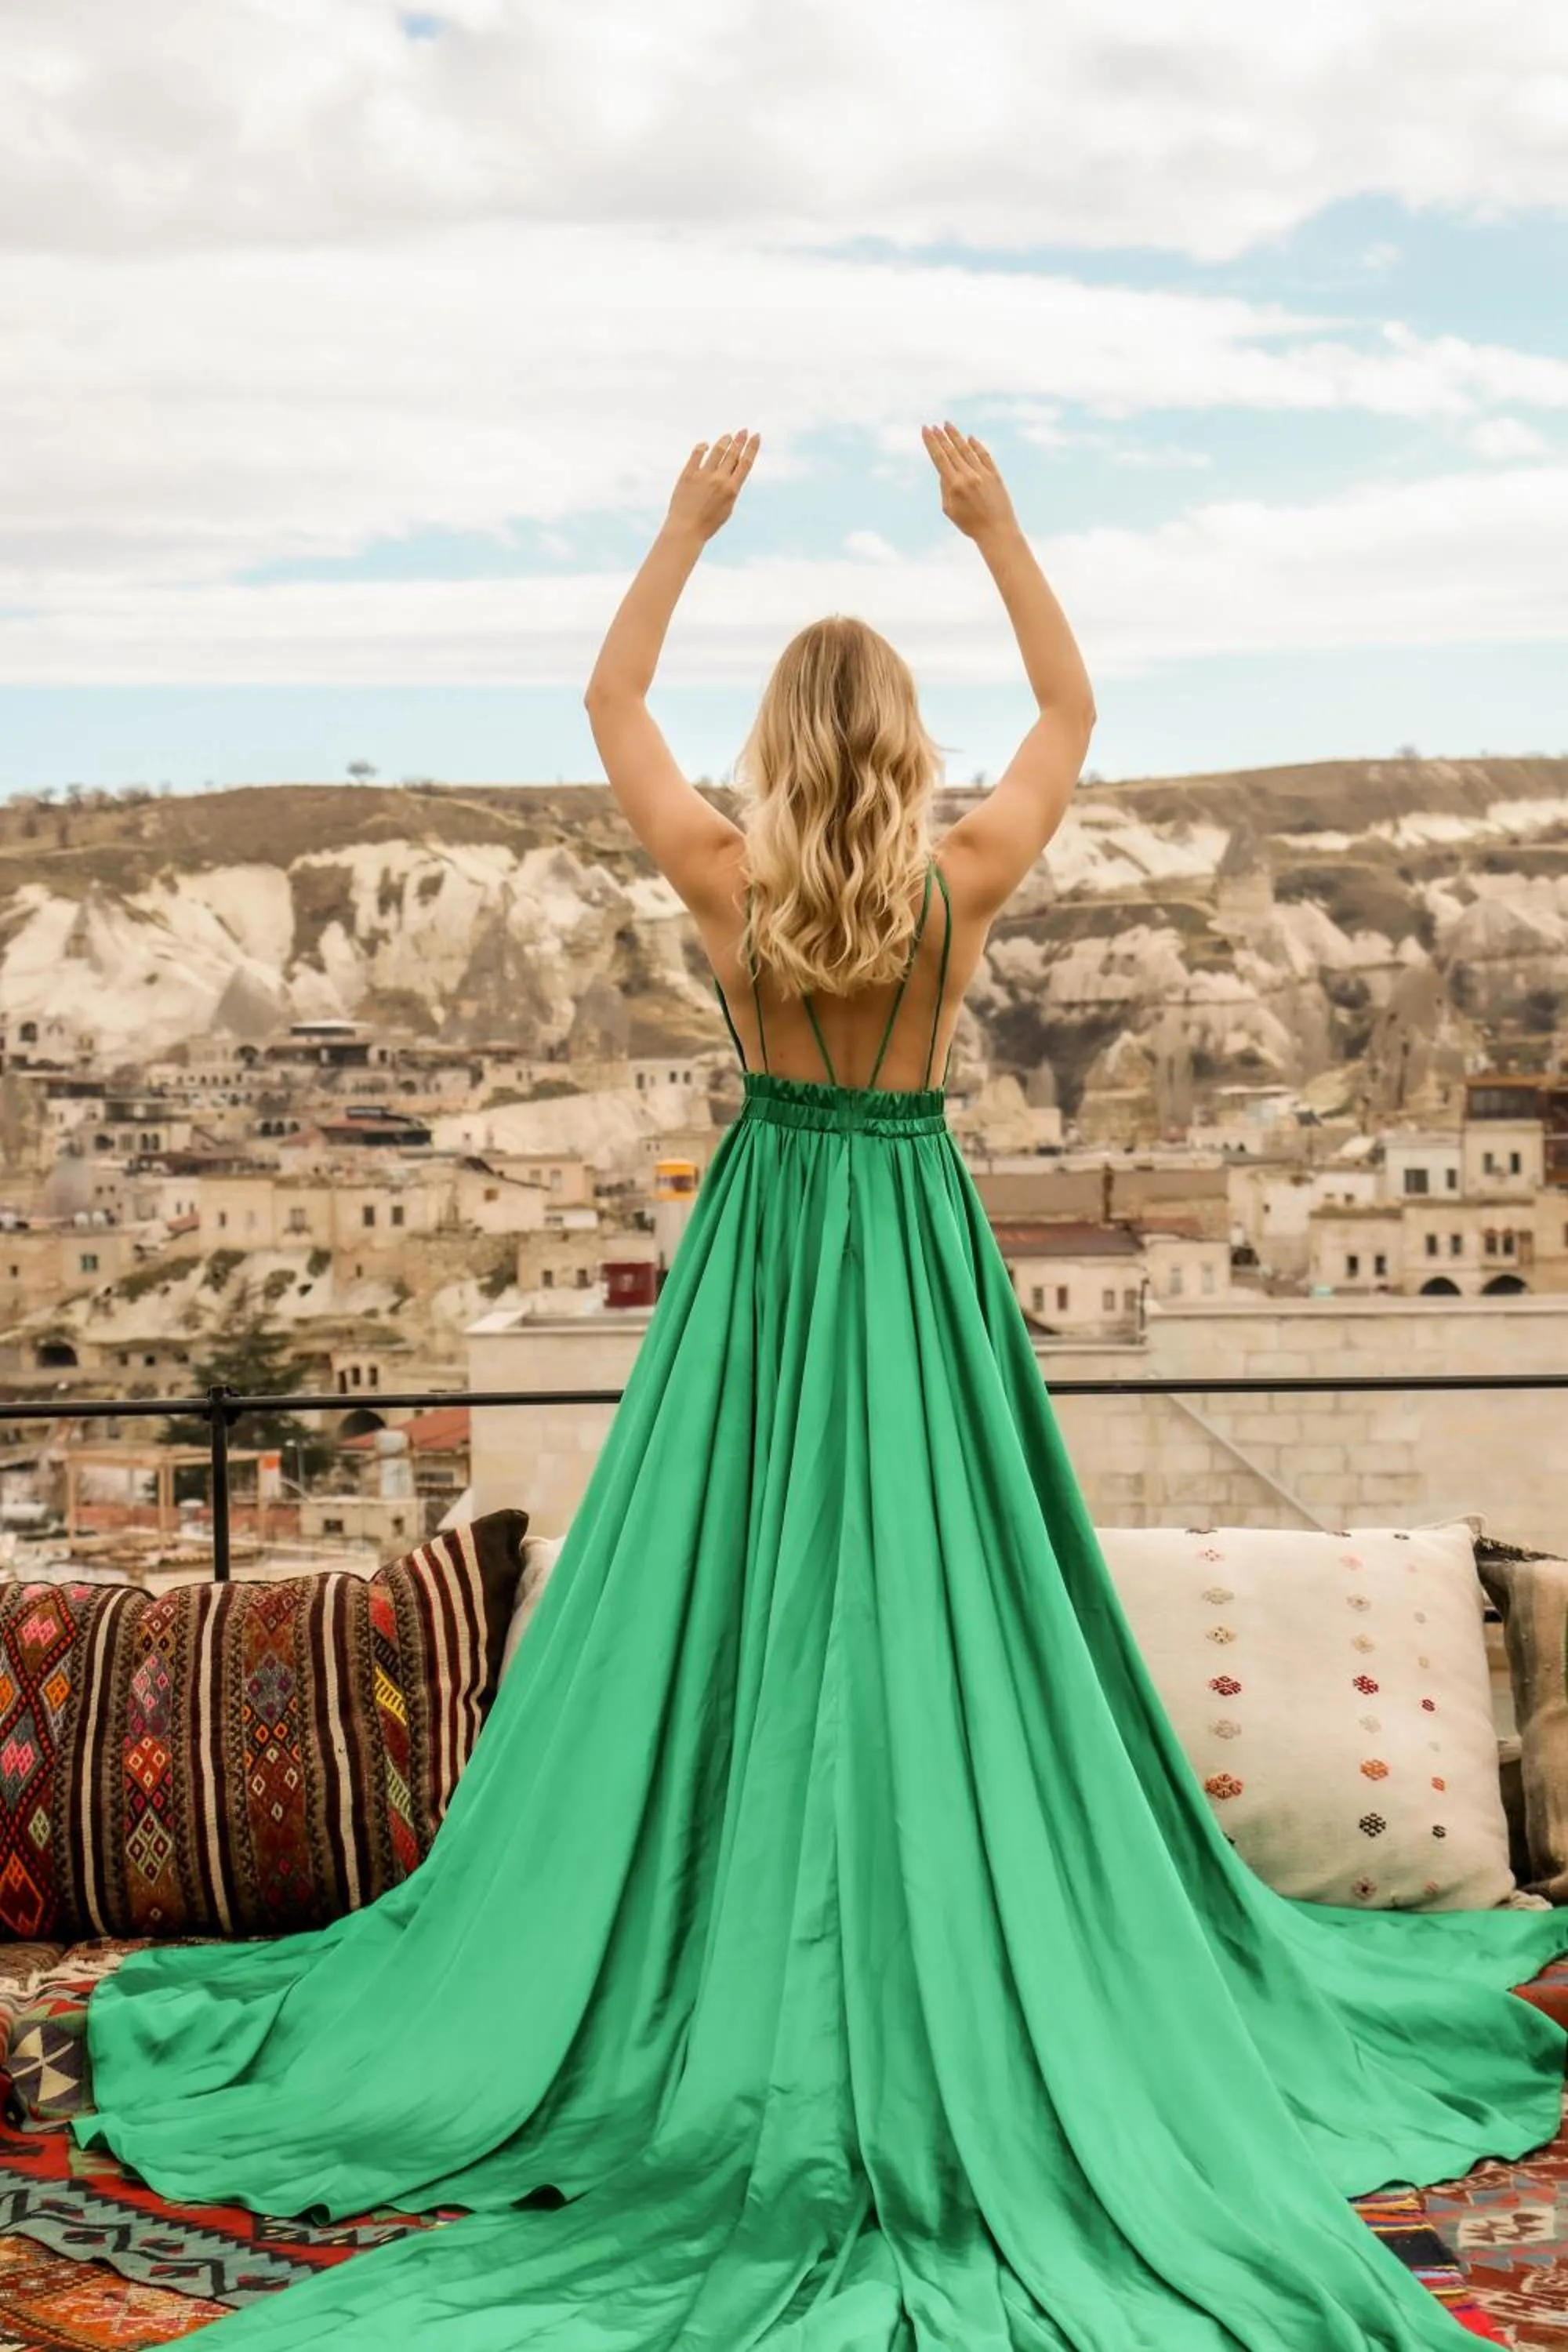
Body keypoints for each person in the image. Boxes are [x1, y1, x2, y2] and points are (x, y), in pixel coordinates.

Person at [74, 425, 1568, 2349]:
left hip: (766, 1255)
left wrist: (682, 524)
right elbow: (1071, 704)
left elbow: (608, 695)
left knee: (728, 1598)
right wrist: (998, 528)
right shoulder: (959, 885)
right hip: (910, 1244)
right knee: (957, 1588)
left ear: (780, 752)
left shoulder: (721, 879)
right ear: (903, 747)